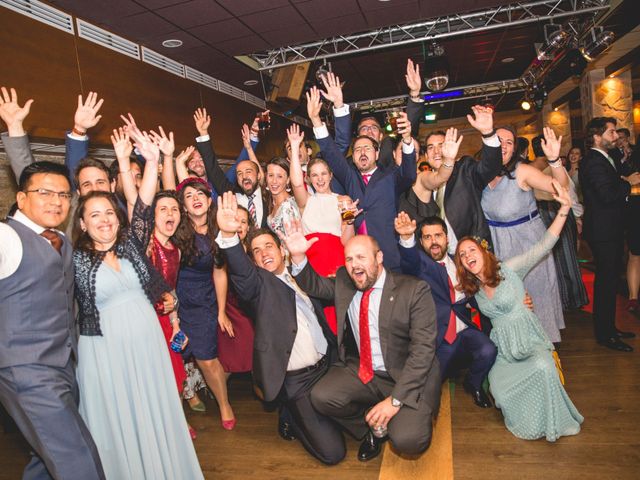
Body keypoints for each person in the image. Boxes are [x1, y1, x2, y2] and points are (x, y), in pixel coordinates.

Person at [72, 126, 203, 478]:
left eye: (109, 213)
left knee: (155, 411)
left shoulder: (131, 246)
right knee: (120, 418)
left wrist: (152, 160)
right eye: (94, 215)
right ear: (82, 224)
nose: (104, 220)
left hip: (147, 347)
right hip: (104, 353)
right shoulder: (75, 260)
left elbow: (143, 206)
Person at [0, 86, 105, 480]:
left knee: (44, 461)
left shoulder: (58, 236)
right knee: (80, 463)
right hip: (26, 373)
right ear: (22, 198)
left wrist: (78, 133)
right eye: (44, 193)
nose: (57, 201)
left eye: (63, 195)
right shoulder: (7, 237)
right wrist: (14, 130)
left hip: (62, 366)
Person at [284, 221, 441, 462]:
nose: (354, 265)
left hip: (406, 375)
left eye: (360, 257)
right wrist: (297, 257)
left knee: (409, 439)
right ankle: (372, 428)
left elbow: (423, 353)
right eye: (348, 259)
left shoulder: (414, 290)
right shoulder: (347, 283)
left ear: (379, 257)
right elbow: (315, 285)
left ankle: (392, 415)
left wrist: (395, 401)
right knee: (322, 396)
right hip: (366, 371)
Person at [215, 192, 345, 465]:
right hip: (297, 381)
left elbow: (333, 290)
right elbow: (240, 272)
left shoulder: (301, 273)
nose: (263, 254)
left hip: (328, 365)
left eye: (268, 246)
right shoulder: (257, 287)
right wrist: (229, 237)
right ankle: (293, 415)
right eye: (257, 251)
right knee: (334, 453)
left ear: (282, 249)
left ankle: (292, 412)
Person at [454, 180, 583, 441]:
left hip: (528, 337)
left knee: (543, 369)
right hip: (503, 347)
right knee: (500, 393)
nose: (468, 255)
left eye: (471, 250)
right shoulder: (472, 290)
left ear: (483, 251)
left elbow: (543, 246)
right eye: (462, 255)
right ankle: (527, 416)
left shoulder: (508, 269)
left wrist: (564, 210)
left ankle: (550, 421)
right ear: (463, 265)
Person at [307, 85, 416, 272]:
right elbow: (332, 154)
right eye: (357, 149)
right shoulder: (350, 178)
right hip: (358, 262)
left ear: (377, 153)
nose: (362, 152)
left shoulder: (390, 176)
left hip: (390, 258)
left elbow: (409, 174)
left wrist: (406, 140)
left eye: (367, 149)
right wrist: (316, 120)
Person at [395, 213, 497, 409]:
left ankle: (473, 384)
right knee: (431, 382)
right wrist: (407, 238)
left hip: (464, 328)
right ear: (421, 242)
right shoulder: (421, 266)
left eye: (438, 235)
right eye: (427, 237)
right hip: (438, 336)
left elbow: (482, 288)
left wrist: (518, 300)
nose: (434, 242)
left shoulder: (460, 262)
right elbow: (409, 261)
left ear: (447, 237)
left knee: (488, 349)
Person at [481, 126, 568, 344]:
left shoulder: (522, 171)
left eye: (509, 142)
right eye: (498, 140)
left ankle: (542, 349)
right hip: (498, 246)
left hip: (527, 243)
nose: (503, 145)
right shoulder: (480, 173)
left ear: (514, 149)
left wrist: (554, 160)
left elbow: (559, 187)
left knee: (535, 297)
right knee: (508, 300)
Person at [173, 177, 236, 428]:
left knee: (207, 359)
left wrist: (221, 311)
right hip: (173, 302)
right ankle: (176, 419)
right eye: (189, 196)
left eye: (200, 194)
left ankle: (224, 403)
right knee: (173, 361)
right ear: (183, 205)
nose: (196, 199)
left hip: (203, 302)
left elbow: (220, 272)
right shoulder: (175, 229)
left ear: (209, 201)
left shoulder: (218, 229)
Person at [287, 123, 357, 333]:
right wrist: (294, 145)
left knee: (341, 311)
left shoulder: (343, 200)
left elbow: (347, 240)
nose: (319, 179)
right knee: (316, 312)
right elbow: (296, 183)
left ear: (330, 175)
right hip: (312, 261)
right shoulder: (305, 201)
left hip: (337, 260)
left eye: (323, 174)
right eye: (314, 175)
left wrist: (350, 221)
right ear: (309, 178)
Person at [579, 117, 639, 351]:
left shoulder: (607, 157)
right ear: (597, 137)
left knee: (611, 281)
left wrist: (624, 174)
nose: (616, 136)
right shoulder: (592, 162)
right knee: (605, 283)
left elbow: (616, 179)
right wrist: (628, 183)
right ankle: (605, 334)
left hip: (610, 228)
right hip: (603, 231)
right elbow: (607, 195)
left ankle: (610, 328)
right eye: (611, 132)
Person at [415, 107, 500, 253]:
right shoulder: (423, 183)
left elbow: (490, 168)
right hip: (440, 256)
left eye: (441, 146)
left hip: (473, 252)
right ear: (426, 157)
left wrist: (488, 133)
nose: (436, 152)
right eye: (431, 148)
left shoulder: (464, 169)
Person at [530, 135, 588, 311]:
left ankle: (559, 300)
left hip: (540, 215)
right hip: (558, 211)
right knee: (568, 256)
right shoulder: (555, 168)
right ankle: (573, 299)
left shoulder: (528, 168)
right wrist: (578, 216)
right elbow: (568, 192)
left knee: (551, 260)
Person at [193, 108, 269, 227]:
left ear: (259, 175)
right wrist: (203, 133)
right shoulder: (230, 194)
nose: (244, 176)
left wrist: (252, 137)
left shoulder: (269, 197)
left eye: (248, 172)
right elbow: (212, 167)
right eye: (239, 173)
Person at [216, 205, 255, 374]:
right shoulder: (221, 248)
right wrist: (222, 312)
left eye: (243, 221)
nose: (239, 225)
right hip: (229, 306)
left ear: (248, 227)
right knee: (230, 360)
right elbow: (220, 276)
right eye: (235, 220)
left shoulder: (255, 248)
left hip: (251, 307)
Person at [265, 155, 301, 239]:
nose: (274, 181)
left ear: (288, 180)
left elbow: (295, 240)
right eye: (270, 175)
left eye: (279, 176)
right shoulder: (272, 203)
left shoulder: (288, 206)